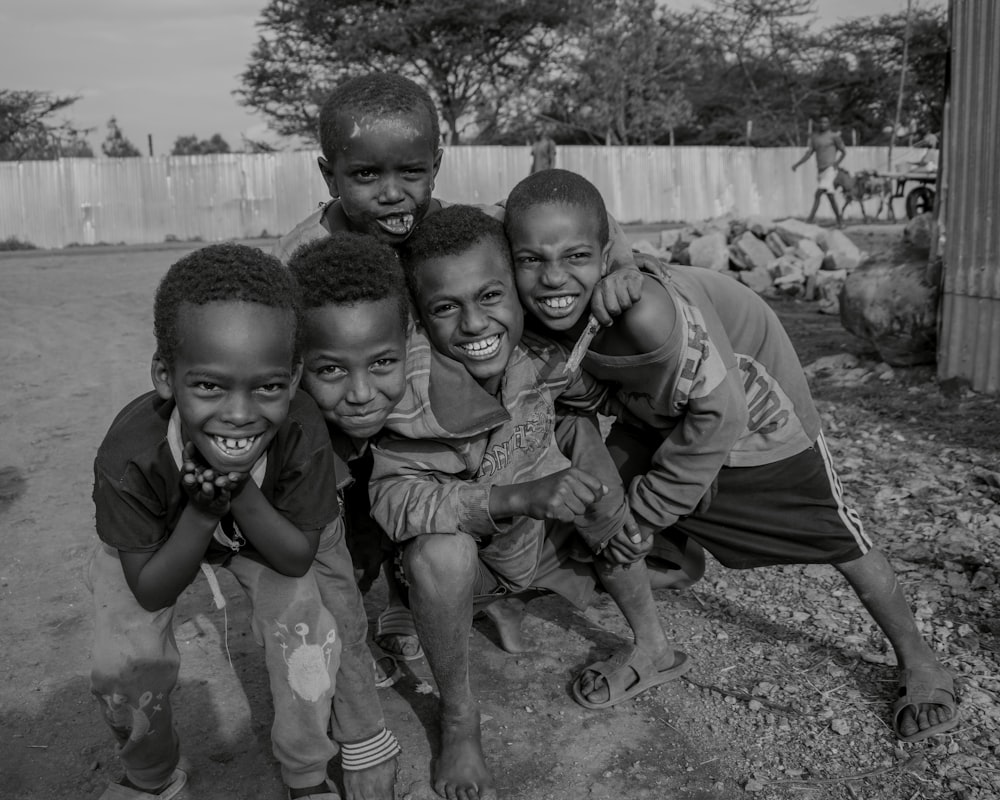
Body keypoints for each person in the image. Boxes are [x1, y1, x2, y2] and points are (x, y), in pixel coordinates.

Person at [503, 168, 959, 746]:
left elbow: (723, 415)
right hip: (658, 409)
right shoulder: (539, 318)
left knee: (837, 537)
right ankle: (652, 647)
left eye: (575, 256)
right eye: (529, 260)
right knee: (601, 504)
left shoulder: (645, 312)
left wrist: (645, 514)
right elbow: (587, 401)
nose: (552, 278)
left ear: (601, 250)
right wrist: (617, 503)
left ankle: (919, 659)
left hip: (759, 415)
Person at [273, 71, 647, 662]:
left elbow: (573, 216)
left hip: (432, 419)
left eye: (411, 173)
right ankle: (354, 642)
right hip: (350, 420)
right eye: (366, 175)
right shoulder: (301, 257)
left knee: (487, 482)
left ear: (436, 165)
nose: (392, 193)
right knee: (351, 528)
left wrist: (622, 263)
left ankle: (480, 593)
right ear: (329, 175)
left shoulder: (460, 226)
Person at [369, 205, 691, 800]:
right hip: (469, 557)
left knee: (582, 439)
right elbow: (391, 501)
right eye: (445, 307)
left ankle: (653, 642)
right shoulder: (409, 395)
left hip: (530, 544)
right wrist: (514, 495)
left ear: (516, 292)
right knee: (440, 554)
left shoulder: (539, 355)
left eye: (491, 295)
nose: (473, 322)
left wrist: (627, 264)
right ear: (420, 315)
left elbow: (564, 230)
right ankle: (460, 717)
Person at [87, 243, 399, 800]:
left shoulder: (301, 431)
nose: (239, 412)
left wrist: (234, 495)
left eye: (268, 386)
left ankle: (305, 775)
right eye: (208, 385)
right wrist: (203, 510)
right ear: (165, 375)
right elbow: (152, 588)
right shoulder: (130, 455)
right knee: (122, 662)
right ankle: (151, 779)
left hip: (268, 536)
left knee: (312, 630)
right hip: (161, 547)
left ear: (294, 376)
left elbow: (296, 558)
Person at [287, 231, 417, 675]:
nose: (361, 394)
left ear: (408, 341)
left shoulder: (426, 406)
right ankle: (345, 641)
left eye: (382, 362)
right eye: (331, 369)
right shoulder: (294, 439)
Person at [791, 115, 846, 226]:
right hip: (820, 171)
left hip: (830, 169)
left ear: (829, 124)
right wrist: (797, 164)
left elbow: (844, 152)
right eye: (821, 122)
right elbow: (809, 153)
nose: (823, 124)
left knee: (818, 193)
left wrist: (837, 163)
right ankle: (840, 221)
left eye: (825, 122)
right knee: (830, 197)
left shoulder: (834, 137)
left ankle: (810, 219)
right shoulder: (815, 138)